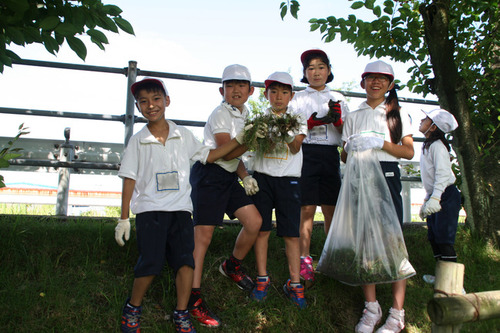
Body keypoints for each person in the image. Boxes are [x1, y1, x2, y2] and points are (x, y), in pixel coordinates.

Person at [114, 77, 245, 333]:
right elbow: (128, 178)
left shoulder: (182, 135)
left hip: (182, 211)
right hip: (150, 211)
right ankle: (133, 307)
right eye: (143, 101)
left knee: (186, 262)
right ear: (138, 107)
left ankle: (182, 312)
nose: (150, 105)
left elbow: (210, 155)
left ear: (167, 101)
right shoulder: (137, 141)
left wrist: (243, 140)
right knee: (149, 262)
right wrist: (123, 218)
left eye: (156, 99)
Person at [341, 60, 415, 333]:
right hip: (360, 176)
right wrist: (350, 147)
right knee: (364, 240)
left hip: (387, 174)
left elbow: (408, 152)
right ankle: (371, 307)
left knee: (393, 241)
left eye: (382, 79)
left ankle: (397, 313)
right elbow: (345, 156)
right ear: (362, 82)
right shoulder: (354, 115)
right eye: (370, 78)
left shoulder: (396, 114)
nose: (375, 82)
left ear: (390, 84)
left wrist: (379, 143)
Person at [188, 64, 263, 327]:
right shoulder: (220, 113)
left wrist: (246, 176)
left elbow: (235, 157)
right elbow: (226, 151)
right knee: (203, 237)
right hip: (209, 174)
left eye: (241, 85)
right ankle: (192, 298)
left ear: (251, 91)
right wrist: (250, 139)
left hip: (228, 176)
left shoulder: (245, 117)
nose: (235, 90)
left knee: (254, 222)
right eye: (230, 85)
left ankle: (231, 266)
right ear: (221, 90)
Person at [289, 49, 349, 284]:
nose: (316, 72)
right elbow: (291, 130)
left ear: (329, 70)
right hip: (306, 154)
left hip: (329, 155)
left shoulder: (340, 98)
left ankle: (331, 256)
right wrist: (308, 124)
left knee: (331, 208)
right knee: (306, 208)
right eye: (310, 68)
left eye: (321, 67)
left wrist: (339, 121)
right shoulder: (297, 98)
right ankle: (304, 258)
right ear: (305, 73)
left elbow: (348, 134)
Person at [249, 72, 308, 308]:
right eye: (273, 91)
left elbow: (295, 147)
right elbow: (255, 144)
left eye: (284, 92)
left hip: (289, 181)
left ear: (292, 95)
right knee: (261, 230)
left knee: (291, 234)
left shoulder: (298, 118)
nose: (279, 97)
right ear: (266, 94)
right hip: (263, 178)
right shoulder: (259, 118)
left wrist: (283, 128)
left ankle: (295, 284)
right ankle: (262, 278)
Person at [418, 109, 461, 272]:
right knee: (434, 237)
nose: (422, 120)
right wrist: (427, 200)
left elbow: (442, 174)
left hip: (446, 195)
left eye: (427, 119)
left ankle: (454, 282)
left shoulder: (437, 146)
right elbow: (430, 177)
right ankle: (441, 276)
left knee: (444, 238)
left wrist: (436, 198)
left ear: (434, 127)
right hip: (436, 195)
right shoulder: (427, 145)